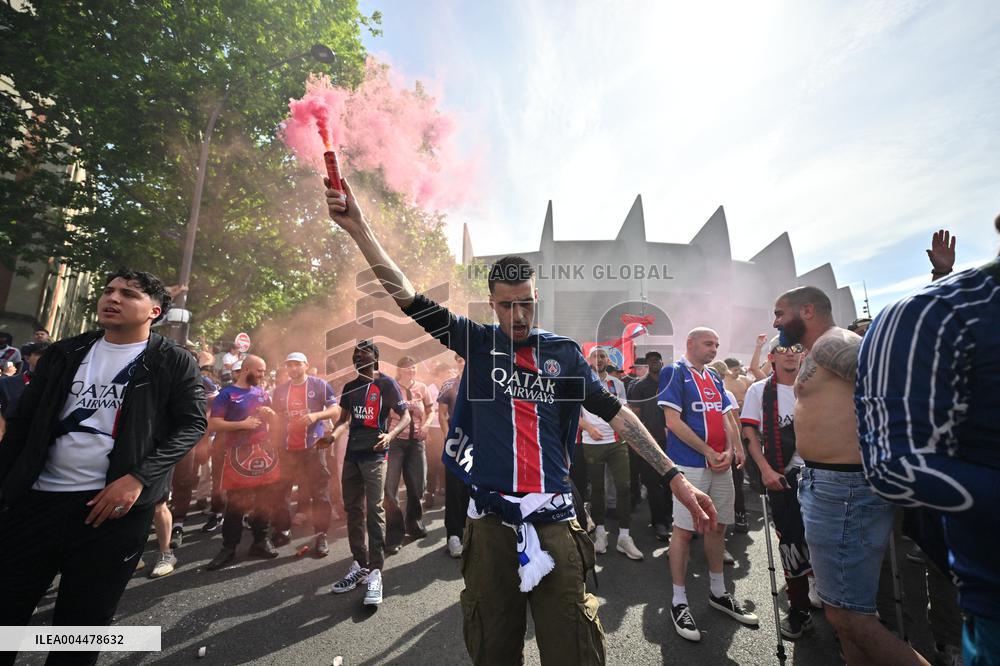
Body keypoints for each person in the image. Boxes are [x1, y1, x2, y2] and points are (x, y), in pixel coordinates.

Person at [327, 178, 717, 665]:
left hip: (555, 521)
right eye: (507, 304)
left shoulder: (563, 355)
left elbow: (616, 415)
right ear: (491, 303)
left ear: (538, 296)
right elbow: (408, 298)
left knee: (574, 651)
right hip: (489, 524)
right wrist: (360, 228)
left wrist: (675, 479)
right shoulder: (477, 341)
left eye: (526, 302)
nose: (518, 314)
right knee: (493, 650)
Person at [0, 269, 207, 666]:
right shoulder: (64, 353)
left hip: (111, 512)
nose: (112, 298)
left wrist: (137, 479)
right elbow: (23, 424)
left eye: (128, 294)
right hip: (35, 503)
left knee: (79, 629)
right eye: (109, 290)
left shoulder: (173, 361)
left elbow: (192, 424)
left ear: (155, 310)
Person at [857, 222, 997, 665]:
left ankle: (945, 640)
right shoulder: (930, 314)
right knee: (903, 580)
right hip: (987, 594)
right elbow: (894, 464)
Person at [772, 286, 928, 665]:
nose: (776, 321)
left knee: (846, 615)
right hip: (828, 485)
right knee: (846, 612)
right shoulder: (817, 350)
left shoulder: (832, 343)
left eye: (780, 312)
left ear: (807, 310)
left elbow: (894, 389)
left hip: (845, 488)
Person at [659, 328, 758, 642]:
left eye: (717, 344)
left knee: (718, 528)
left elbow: (727, 418)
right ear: (690, 344)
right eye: (708, 343)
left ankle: (718, 592)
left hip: (721, 465)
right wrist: (708, 451)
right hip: (690, 466)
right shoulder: (674, 372)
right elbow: (672, 422)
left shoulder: (715, 377)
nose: (714, 348)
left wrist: (733, 449)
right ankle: (679, 600)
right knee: (685, 531)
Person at [740, 338, 818, 638]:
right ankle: (799, 609)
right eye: (782, 350)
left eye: (796, 349)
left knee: (827, 543)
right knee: (791, 544)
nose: (790, 355)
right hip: (784, 477)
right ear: (771, 357)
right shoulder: (759, 391)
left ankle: (841, 612)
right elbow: (749, 431)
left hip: (823, 474)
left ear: (805, 354)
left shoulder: (817, 386)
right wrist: (766, 470)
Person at [329, 341, 410, 606]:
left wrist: (391, 434)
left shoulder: (385, 384)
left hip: (375, 456)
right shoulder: (350, 388)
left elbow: (405, 416)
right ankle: (359, 564)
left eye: (364, 356)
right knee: (352, 509)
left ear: (375, 359)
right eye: (356, 357)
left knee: (374, 510)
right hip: (352, 455)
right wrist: (331, 437)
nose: (359, 360)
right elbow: (343, 421)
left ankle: (376, 572)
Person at [205, 355, 281, 570]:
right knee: (236, 504)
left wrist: (271, 414)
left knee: (263, 500)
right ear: (246, 369)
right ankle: (229, 548)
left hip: (263, 453)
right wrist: (243, 424)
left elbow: (274, 421)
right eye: (259, 371)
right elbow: (214, 424)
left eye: (264, 371)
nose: (262, 375)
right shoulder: (227, 394)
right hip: (238, 454)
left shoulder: (262, 393)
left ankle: (260, 542)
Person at [271, 352, 340, 556]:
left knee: (320, 491)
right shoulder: (280, 391)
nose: (293, 368)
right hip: (287, 448)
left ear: (306, 365)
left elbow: (336, 411)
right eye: (289, 365)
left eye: (297, 364)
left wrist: (316, 415)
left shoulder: (319, 385)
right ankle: (283, 530)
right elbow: (277, 418)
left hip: (313, 447)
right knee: (282, 490)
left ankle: (321, 535)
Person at [580, 346, 643, 560]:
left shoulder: (617, 383)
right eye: (595, 356)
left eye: (603, 356)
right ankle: (600, 534)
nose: (599, 359)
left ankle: (624, 537)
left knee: (624, 487)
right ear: (589, 360)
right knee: (597, 490)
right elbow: (572, 413)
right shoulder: (581, 381)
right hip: (592, 441)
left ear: (608, 360)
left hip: (617, 442)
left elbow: (622, 411)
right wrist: (588, 428)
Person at [384, 355, 433, 553]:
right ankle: (394, 534)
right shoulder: (390, 388)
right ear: (399, 369)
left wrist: (428, 425)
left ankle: (414, 523)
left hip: (416, 443)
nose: (411, 370)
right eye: (407, 368)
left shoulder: (422, 388)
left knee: (418, 486)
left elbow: (431, 411)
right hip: (395, 442)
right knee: (390, 488)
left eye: (413, 368)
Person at [625, 351, 672, 542]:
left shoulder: (670, 382)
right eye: (650, 360)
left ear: (662, 362)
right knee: (653, 484)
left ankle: (671, 519)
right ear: (647, 364)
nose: (654, 362)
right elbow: (634, 416)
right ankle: (659, 523)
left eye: (657, 359)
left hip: (672, 441)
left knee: (672, 482)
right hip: (650, 442)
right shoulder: (639, 385)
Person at [437, 353, 468, 558]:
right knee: (454, 491)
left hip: (479, 448)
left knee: (474, 491)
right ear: (456, 363)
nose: (463, 363)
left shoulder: (483, 382)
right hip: (456, 446)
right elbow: (441, 414)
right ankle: (453, 536)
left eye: (466, 359)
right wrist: (450, 441)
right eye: (459, 360)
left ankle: (470, 533)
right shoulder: (448, 385)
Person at [0, 341, 50, 439]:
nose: (44, 358)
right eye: (39, 354)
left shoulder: (58, 386)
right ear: (27, 358)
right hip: (9, 439)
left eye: (49, 355)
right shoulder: (6, 384)